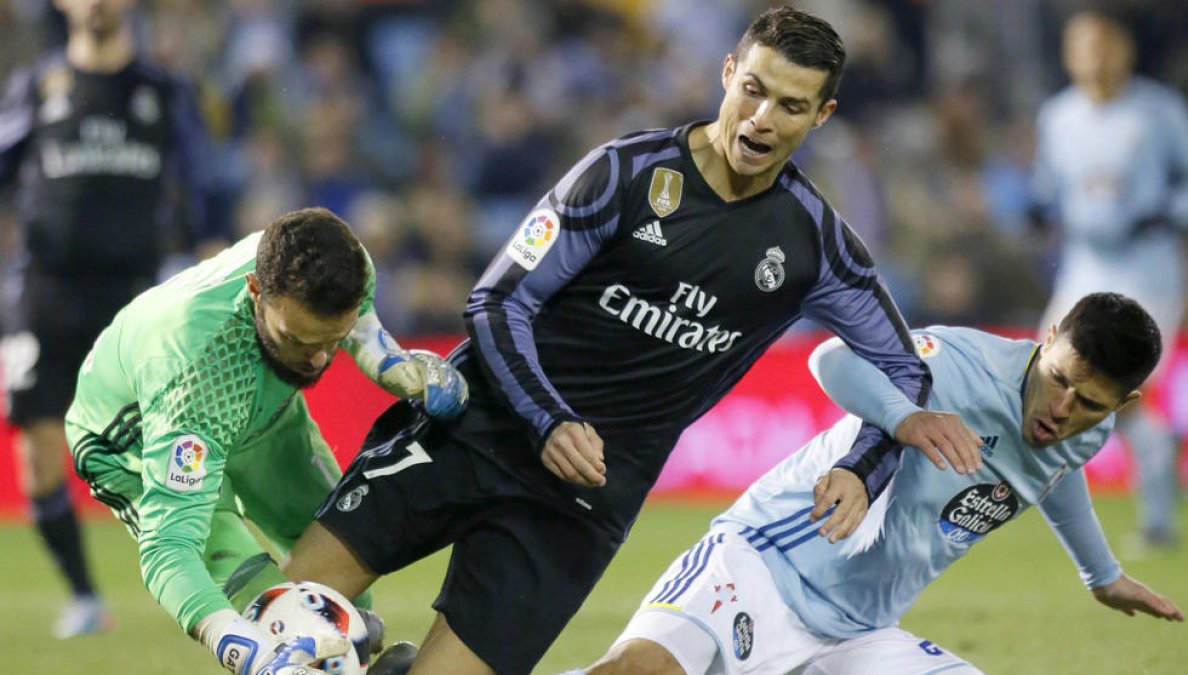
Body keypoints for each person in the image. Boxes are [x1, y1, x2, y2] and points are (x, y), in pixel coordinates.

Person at [279, 8, 986, 675]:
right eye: (753, 90)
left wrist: (864, 467)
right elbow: (498, 299)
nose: (762, 119)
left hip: (580, 504)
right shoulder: (626, 173)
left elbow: (904, 369)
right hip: (474, 429)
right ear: (728, 70)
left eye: (792, 106)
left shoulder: (813, 244)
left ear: (823, 115)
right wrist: (548, 417)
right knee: (284, 623)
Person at [574, 292, 1185, 675]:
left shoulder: (1086, 432)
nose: (1063, 409)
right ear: (1048, 338)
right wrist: (908, 416)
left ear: (1124, 405)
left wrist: (1100, 575)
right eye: (1059, 381)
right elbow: (830, 358)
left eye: (1089, 404)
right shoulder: (957, 360)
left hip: (857, 632)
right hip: (764, 564)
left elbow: (1057, 473)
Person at [64, 207, 468, 674]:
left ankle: (337, 651)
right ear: (255, 290)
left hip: (267, 411)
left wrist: (396, 367)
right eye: (297, 338)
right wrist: (244, 653)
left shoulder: (347, 263)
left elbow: (358, 325)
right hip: (137, 441)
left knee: (348, 567)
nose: (317, 361)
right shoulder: (194, 374)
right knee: (283, 620)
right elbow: (170, 548)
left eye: (330, 340)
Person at [0, 0, 227, 638]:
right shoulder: (37, 88)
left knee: (174, 443)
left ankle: (216, 577)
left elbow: (203, 181)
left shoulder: (161, 90)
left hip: (134, 297)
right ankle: (83, 595)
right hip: (43, 291)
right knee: (39, 454)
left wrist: (209, 255)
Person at [1031, 7, 1188, 550]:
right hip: (1085, 266)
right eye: (1083, 46)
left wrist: (1168, 213)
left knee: (1123, 388)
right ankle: (1155, 454)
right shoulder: (1057, 117)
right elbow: (1047, 191)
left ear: (1124, 50)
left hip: (1147, 268)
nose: (1094, 58)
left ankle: (1157, 522)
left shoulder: (1158, 111)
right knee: (1041, 377)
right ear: (1068, 54)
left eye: (1104, 45)